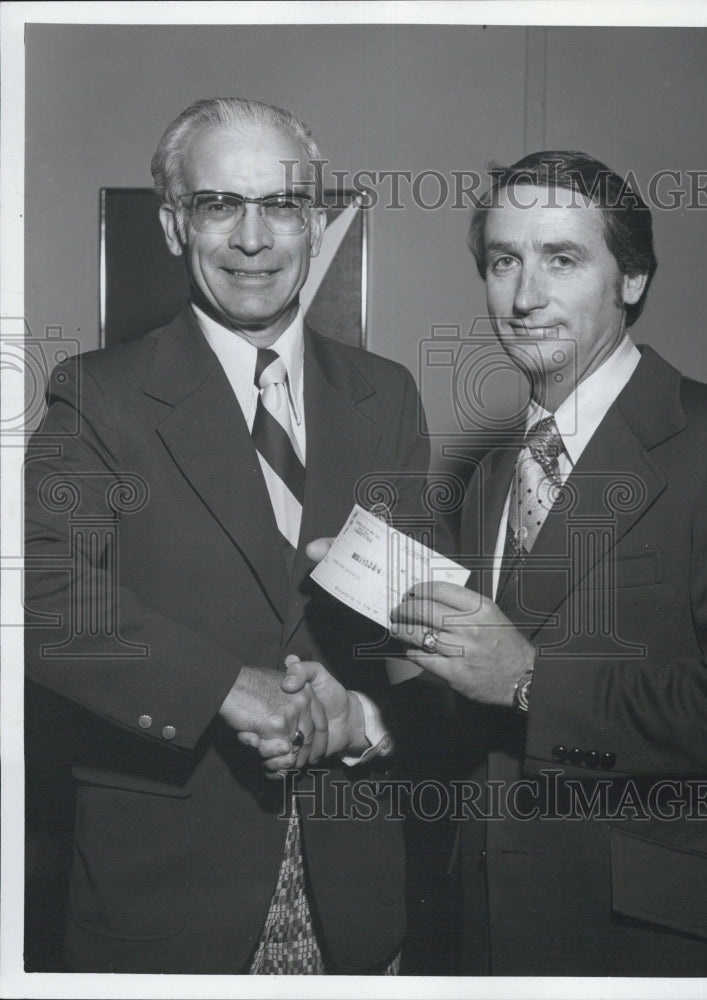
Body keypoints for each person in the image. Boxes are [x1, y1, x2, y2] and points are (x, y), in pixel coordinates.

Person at [24, 97, 433, 974]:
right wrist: (223, 688)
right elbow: (43, 597)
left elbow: (417, 626)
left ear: (316, 222)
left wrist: (358, 720)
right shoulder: (97, 395)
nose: (254, 238)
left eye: (282, 204)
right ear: (175, 225)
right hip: (164, 903)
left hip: (357, 899)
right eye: (218, 205)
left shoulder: (386, 394)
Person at [389, 152, 707, 976]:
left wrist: (532, 680)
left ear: (630, 278)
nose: (524, 296)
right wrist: (363, 717)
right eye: (503, 262)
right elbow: (480, 702)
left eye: (561, 259)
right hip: (489, 925)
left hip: (652, 939)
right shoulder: (491, 473)